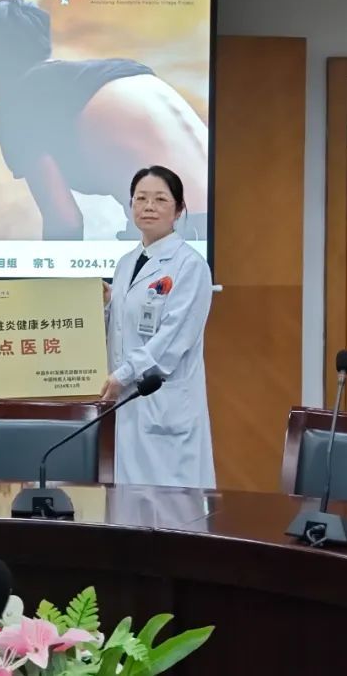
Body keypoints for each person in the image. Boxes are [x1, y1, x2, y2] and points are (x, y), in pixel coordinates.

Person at [0, 0, 208, 240]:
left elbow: (65, 221)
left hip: (178, 233)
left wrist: (53, 271)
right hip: (217, 218)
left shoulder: (16, 104)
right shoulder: (120, 70)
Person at [98, 165, 214, 488]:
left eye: (160, 199)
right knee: (126, 502)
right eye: (141, 198)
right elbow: (121, 331)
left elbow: (171, 341)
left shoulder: (190, 266)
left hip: (165, 407)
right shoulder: (125, 264)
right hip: (126, 406)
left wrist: (122, 375)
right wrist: (106, 306)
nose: (149, 207)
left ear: (178, 210)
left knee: (173, 506)